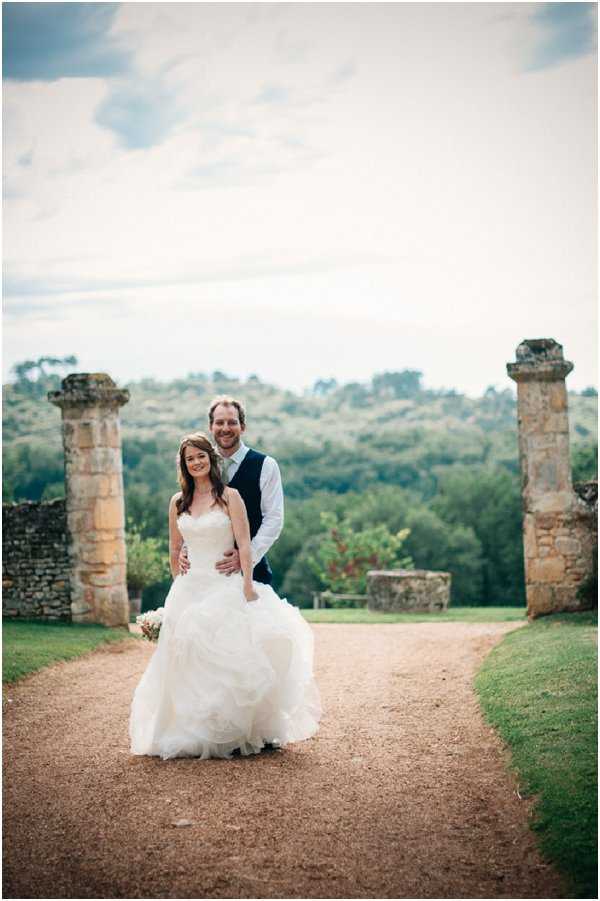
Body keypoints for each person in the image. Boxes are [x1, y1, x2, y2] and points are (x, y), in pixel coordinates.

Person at [129, 433, 320, 760]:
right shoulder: (177, 502)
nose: (197, 462)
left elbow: (244, 544)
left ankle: (228, 730)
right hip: (189, 588)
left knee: (227, 654)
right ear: (184, 465)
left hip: (224, 583)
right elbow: (174, 548)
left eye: (201, 456)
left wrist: (247, 584)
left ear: (210, 458)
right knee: (184, 658)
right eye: (190, 459)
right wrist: (179, 578)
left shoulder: (230, 497)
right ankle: (186, 730)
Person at [178, 396, 282, 585]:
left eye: (232, 422)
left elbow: (274, 519)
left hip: (252, 574)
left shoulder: (266, 466)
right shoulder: (199, 465)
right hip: (203, 575)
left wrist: (246, 557)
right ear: (211, 427)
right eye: (219, 422)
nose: (225, 428)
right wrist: (187, 548)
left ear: (242, 426)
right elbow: (192, 511)